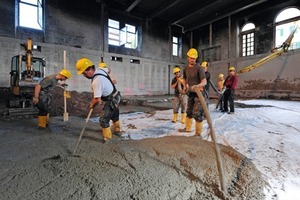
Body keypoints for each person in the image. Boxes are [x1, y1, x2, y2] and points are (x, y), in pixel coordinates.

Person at [76, 58, 122, 143]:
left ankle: (107, 139)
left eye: (84, 73)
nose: (83, 75)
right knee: (114, 114)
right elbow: (109, 70)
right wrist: (108, 81)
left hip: (111, 100)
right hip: (117, 96)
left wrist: (92, 104)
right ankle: (118, 131)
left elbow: (98, 100)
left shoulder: (96, 81)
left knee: (103, 120)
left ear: (90, 70)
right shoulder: (100, 69)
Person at [179, 48, 207, 136]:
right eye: (191, 58)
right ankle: (188, 128)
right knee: (189, 111)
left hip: (199, 93)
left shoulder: (199, 68)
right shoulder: (186, 68)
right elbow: (185, 79)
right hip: (190, 92)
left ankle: (198, 134)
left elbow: (204, 81)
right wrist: (184, 86)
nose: (192, 60)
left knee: (197, 113)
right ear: (188, 58)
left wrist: (197, 86)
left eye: (194, 58)